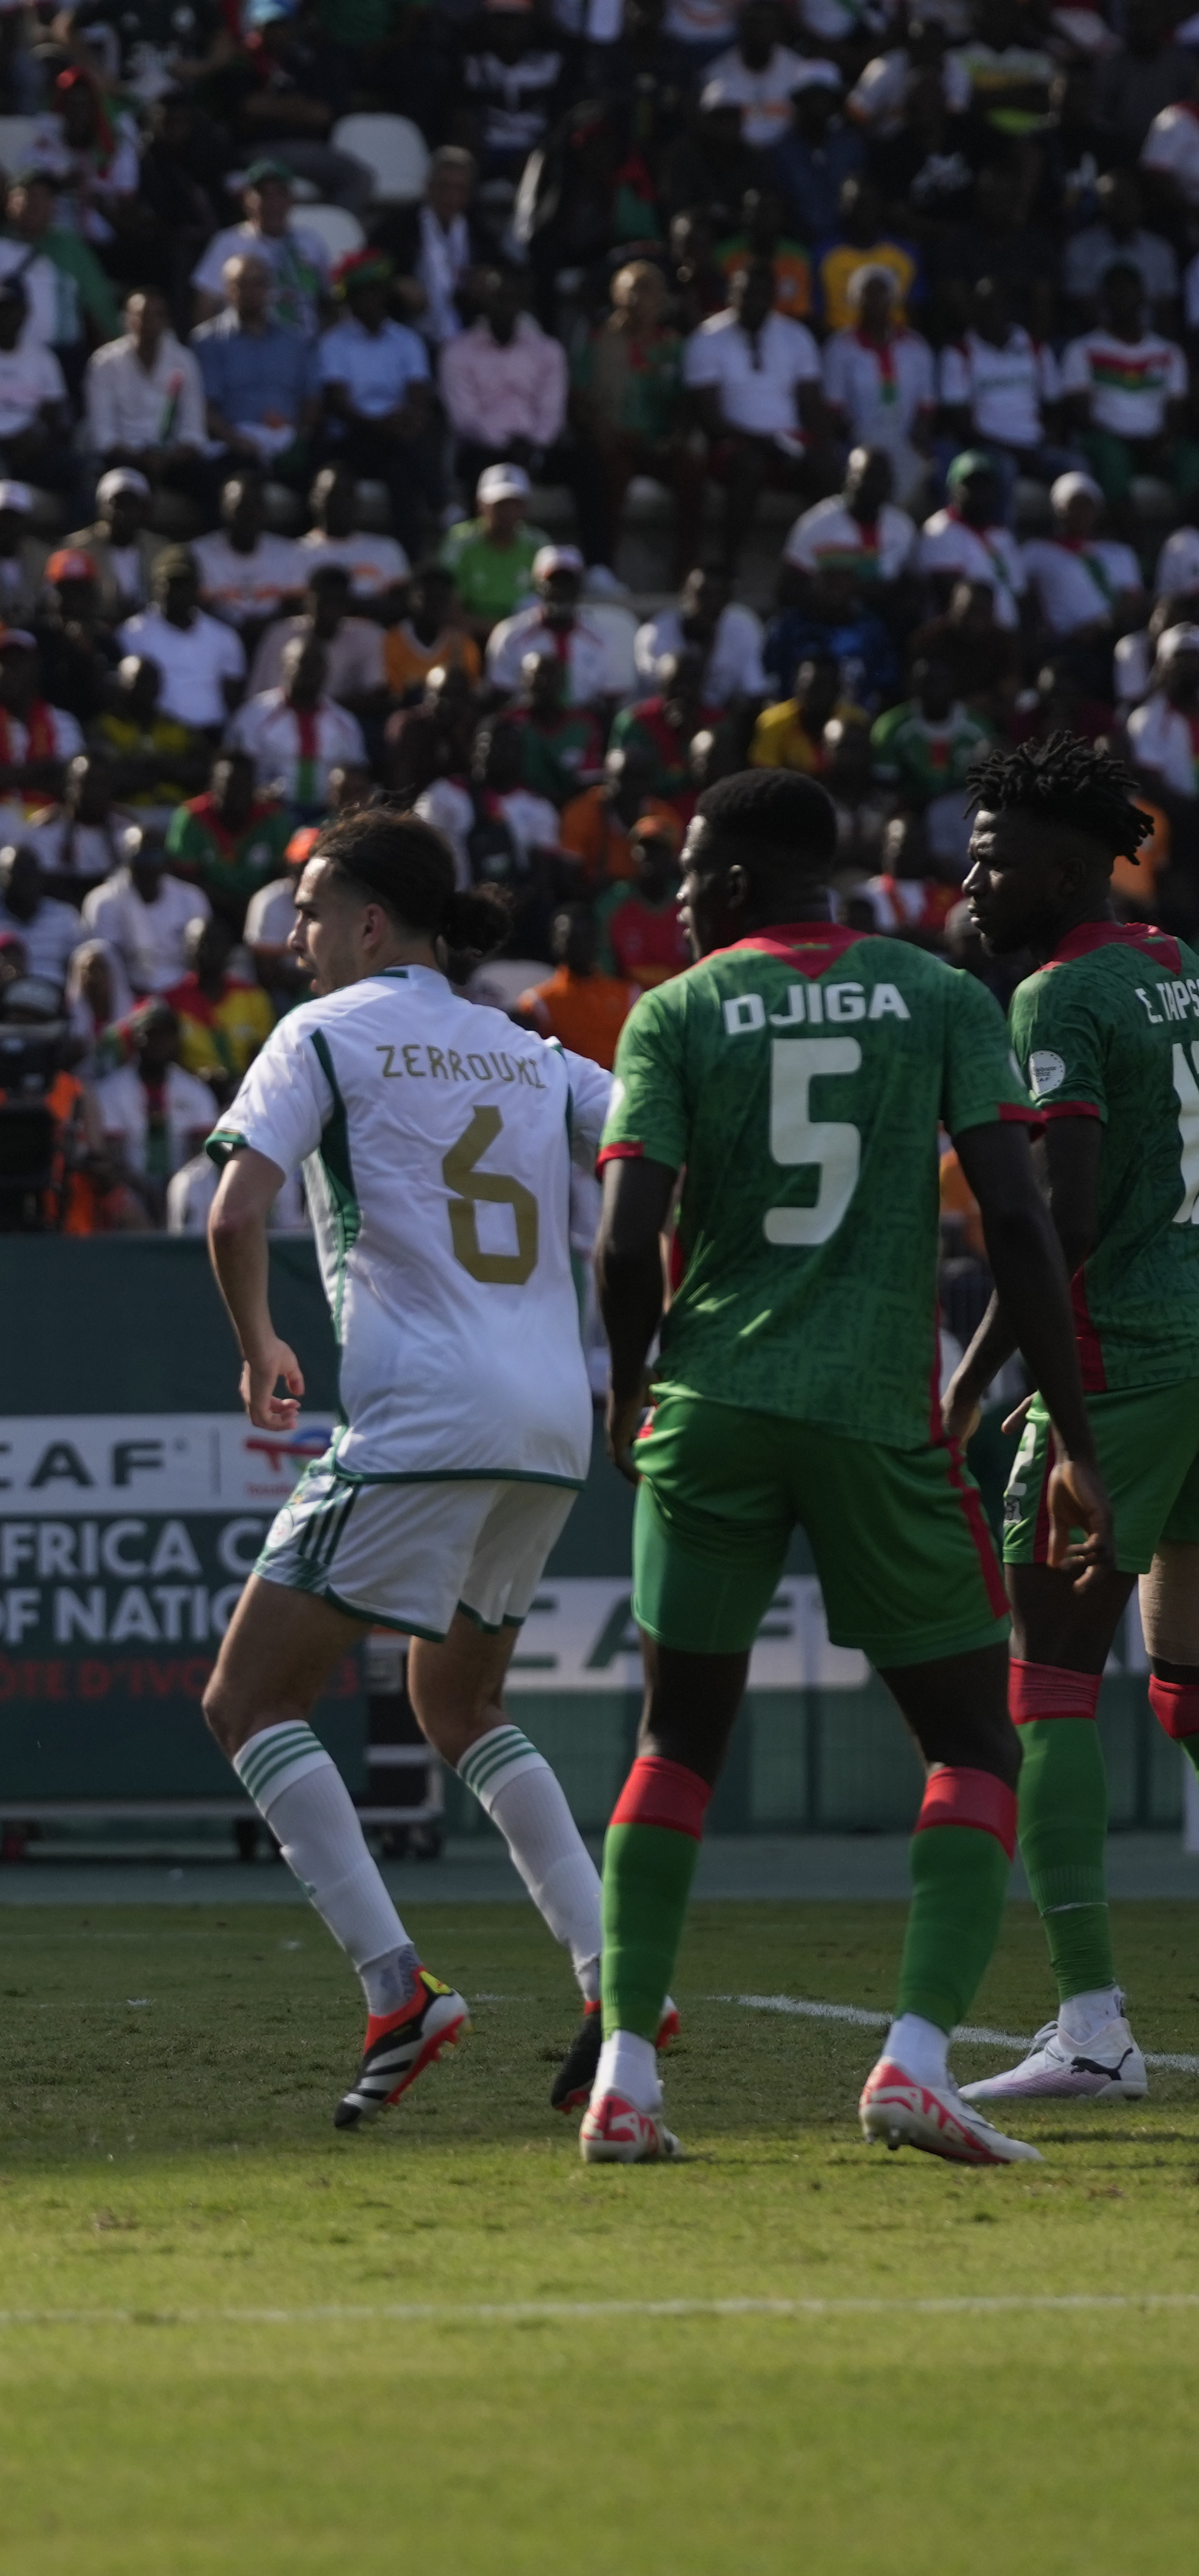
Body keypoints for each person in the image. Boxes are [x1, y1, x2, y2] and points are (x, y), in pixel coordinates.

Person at [582, 768, 1106, 2167]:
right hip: (878, 1412)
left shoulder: (676, 1012)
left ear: (740, 886)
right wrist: (1074, 1435)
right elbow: (1013, 1218)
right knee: (973, 1742)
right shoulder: (942, 996)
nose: (679, 897)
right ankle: (915, 2058)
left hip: (712, 1405)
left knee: (676, 1740)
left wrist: (633, 1388)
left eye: (692, 874)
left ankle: (626, 2071)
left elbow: (626, 1241)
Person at [194, 811, 623, 2128]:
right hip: (552, 1421)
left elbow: (232, 1208)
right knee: (461, 1703)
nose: (293, 936)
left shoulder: (322, 1033)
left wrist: (259, 1336)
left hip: (424, 1414)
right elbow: (653, 1154)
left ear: (371, 921)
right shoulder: (534, 1049)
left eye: (311, 912)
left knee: (246, 1702)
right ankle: (620, 1970)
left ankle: (399, 1992)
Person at [944, 737, 1185, 2110]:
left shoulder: (1056, 995)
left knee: (1043, 1687)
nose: (970, 878)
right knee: (1187, 1686)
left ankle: (1092, 2024)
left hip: (1127, 1365)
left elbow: (1063, 1219)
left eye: (989, 854)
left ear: (1061, 863)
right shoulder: (1182, 972)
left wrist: (974, 1377)